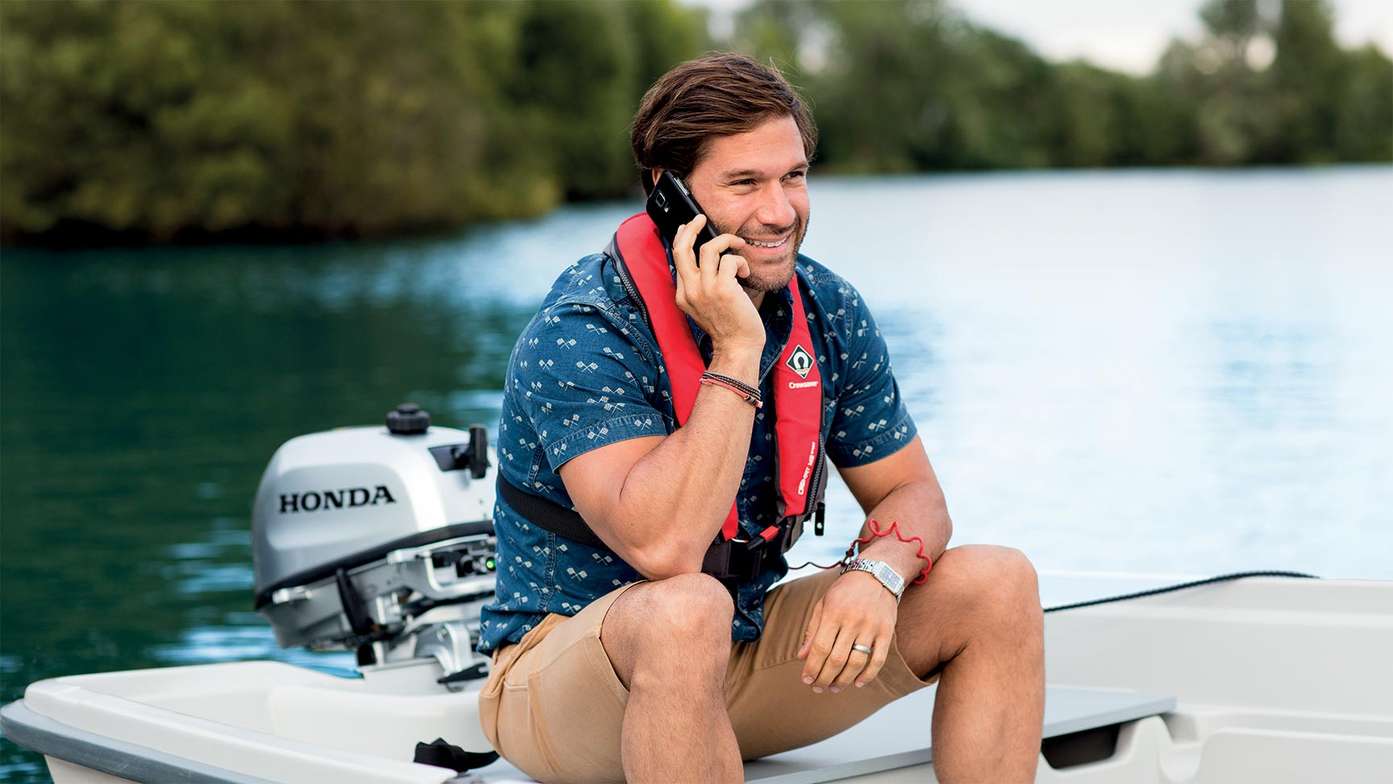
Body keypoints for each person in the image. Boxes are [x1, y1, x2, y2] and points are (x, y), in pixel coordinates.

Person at [476, 52, 1044, 783]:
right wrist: (738, 346)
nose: (779, 212)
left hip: (731, 658)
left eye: (794, 176)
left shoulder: (826, 307)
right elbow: (666, 548)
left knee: (995, 585)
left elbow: (916, 496)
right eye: (743, 183)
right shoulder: (585, 329)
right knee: (685, 610)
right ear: (666, 191)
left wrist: (878, 572)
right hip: (560, 685)